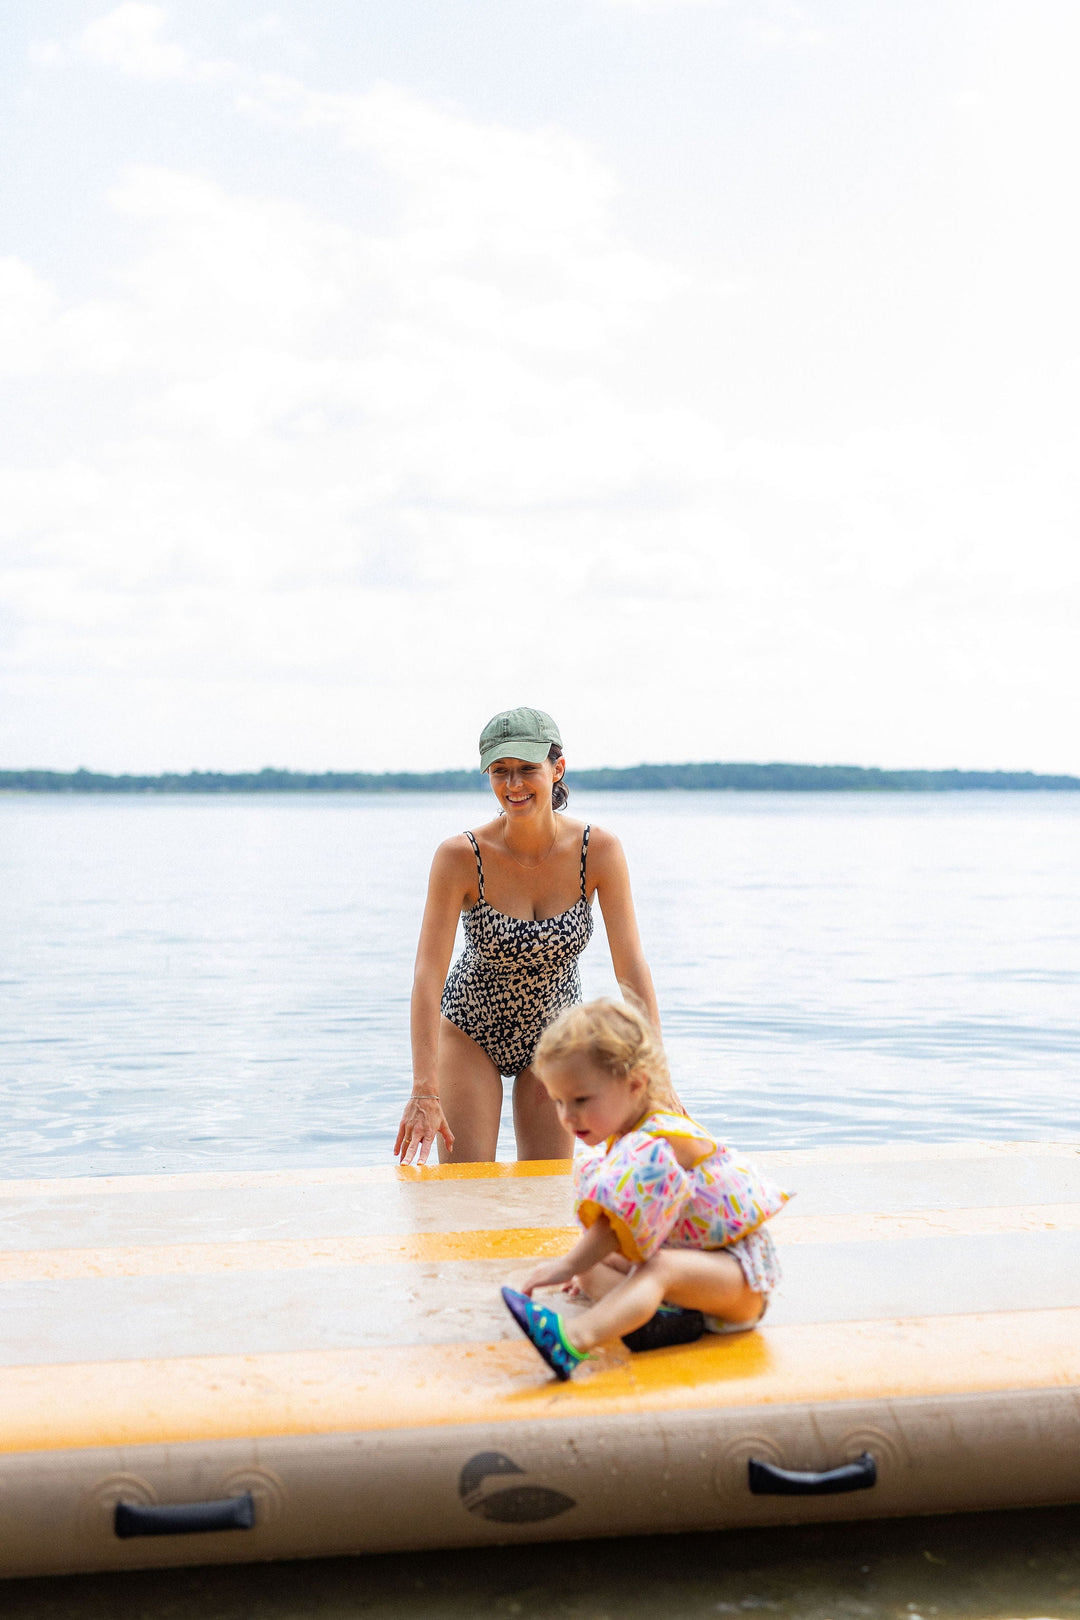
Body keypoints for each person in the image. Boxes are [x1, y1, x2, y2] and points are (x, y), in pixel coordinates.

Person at [395, 707, 661, 1166]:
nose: (513, 786)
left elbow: (631, 968)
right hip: (470, 1027)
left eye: (526, 770)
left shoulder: (598, 850)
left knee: (546, 1193)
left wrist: (656, 1078)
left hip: (556, 1035)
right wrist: (424, 1087)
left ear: (557, 769)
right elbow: (427, 975)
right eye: (500, 772)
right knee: (466, 1190)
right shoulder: (460, 856)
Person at [501, 998, 790, 1380]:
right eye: (558, 1102)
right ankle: (666, 1320)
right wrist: (579, 1269)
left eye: (581, 1100)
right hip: (700, 1274)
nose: (567, 1117)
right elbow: (618, 1234)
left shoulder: (659, 1142)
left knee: (655, 1268)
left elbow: (614, 1223)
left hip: (738, 1281)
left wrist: (566, 1264)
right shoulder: (629, 1138)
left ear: (635, 1084)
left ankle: (572, 1340)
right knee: (590, 1272)